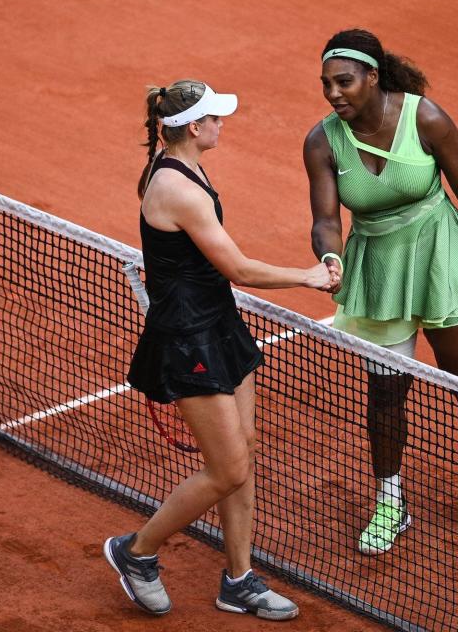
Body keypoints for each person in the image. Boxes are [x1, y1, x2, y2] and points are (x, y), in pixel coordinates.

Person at [104, 79, 334, 620]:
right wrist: (309, 275)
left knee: (243, 452)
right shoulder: (178, 186)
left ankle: (238, 580)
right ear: (192, 128)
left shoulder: (188, 166)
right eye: (215, 118)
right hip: (189, 340)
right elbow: (237, 268)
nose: (221, 124)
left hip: (219, 325)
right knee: (228, 469)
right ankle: (136, 551)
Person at [302, 29, 458, 555]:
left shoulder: (425, 118)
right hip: (378, 269)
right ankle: (390, 499)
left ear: (373, 77)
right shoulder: (321, 141)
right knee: (385, 392)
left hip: (441, 255)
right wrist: (330, 256)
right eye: (326, 84)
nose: (334, 93)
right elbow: (326, 219)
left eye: (345, 82)